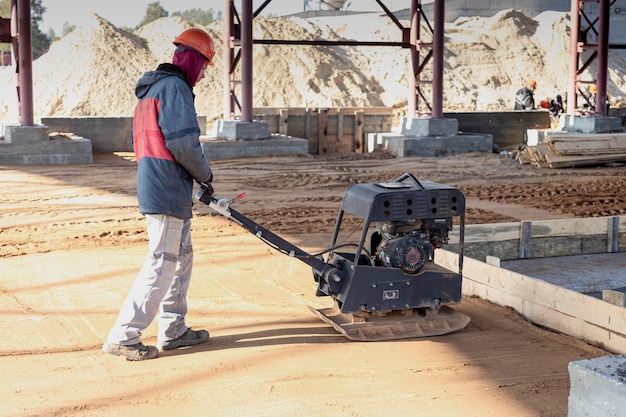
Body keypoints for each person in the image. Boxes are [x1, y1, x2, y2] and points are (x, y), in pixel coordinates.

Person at [102, 28, 216, 361]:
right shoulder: (176, 89)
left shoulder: (151, 91)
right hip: (167, 187)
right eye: (206, 64)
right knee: (163, 263)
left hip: (162, 185)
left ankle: (174, 329)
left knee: (181, 259)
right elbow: (183, 143)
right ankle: (124, 335)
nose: (205, 73)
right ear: (194, 59)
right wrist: (205, 175)